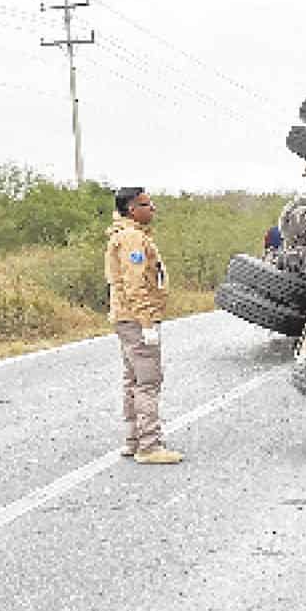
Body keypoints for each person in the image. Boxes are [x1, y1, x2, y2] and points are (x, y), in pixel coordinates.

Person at [105, 187, 183, 464]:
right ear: (131, 209)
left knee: (133, 380)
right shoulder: (132, 239)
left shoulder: (127, 235)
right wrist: (147, 322)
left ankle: (133, 440)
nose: (153, 209)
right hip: (136, 319)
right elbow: (135, 284)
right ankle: (149, 445)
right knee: (148, 381)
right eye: (146, 204)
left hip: (126, 318)